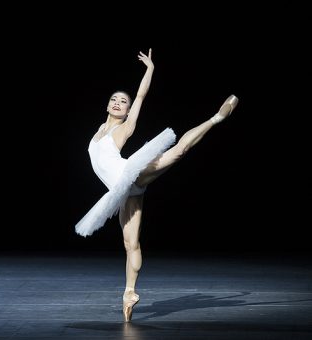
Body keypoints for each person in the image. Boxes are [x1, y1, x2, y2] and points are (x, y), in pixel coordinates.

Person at [75, 48, 239, 322]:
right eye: (113, 99)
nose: (118, 102)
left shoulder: (122, 129)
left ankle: (216, 118)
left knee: (176, 152)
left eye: (123, 102)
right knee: (131, 245)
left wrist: (149, 70)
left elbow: (140, 95)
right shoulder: (98, 131)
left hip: (131, 175)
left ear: (127, 111)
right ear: (107, 105)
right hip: (121, 193)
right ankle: (130, 293)